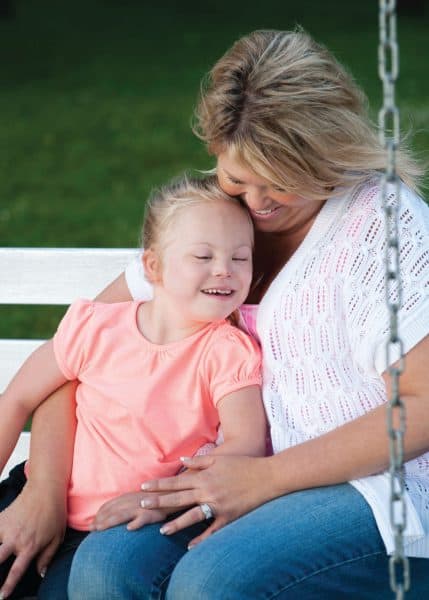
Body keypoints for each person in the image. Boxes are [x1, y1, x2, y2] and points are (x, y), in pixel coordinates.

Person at [0, 26, 428, 600]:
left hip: (379, 486)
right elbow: (79, 348)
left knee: (213, 581)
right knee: (106, 565)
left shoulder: (385, 228)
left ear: (327, 150)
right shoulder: (212, 226)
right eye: (236, 177)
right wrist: (45, 485)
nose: (256, 205)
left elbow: (421, 408)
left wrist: (265, 478)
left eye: (282, 179)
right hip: (230, 471)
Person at [0, 175, 266, 598]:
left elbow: (246, 441)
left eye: (241, 258)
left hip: (121, 527)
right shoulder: (96, 326)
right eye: (203, 255)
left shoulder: (226, 350)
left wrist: (157, 501)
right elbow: (15, 400)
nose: (225, 270)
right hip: (34, 494)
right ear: (153, 267)